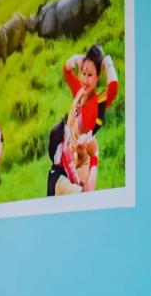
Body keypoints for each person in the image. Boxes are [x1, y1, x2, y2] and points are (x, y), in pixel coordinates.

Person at [46, 44, 119, 195]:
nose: (85, 80)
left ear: (98, 76)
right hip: (67, 162)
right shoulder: (79, 92)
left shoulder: (97, 103)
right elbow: (66, 71)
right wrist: (76, 59)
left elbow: (113, 88)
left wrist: (107, 62)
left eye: (90, 75)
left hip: (82, 165)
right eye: (83, 73)